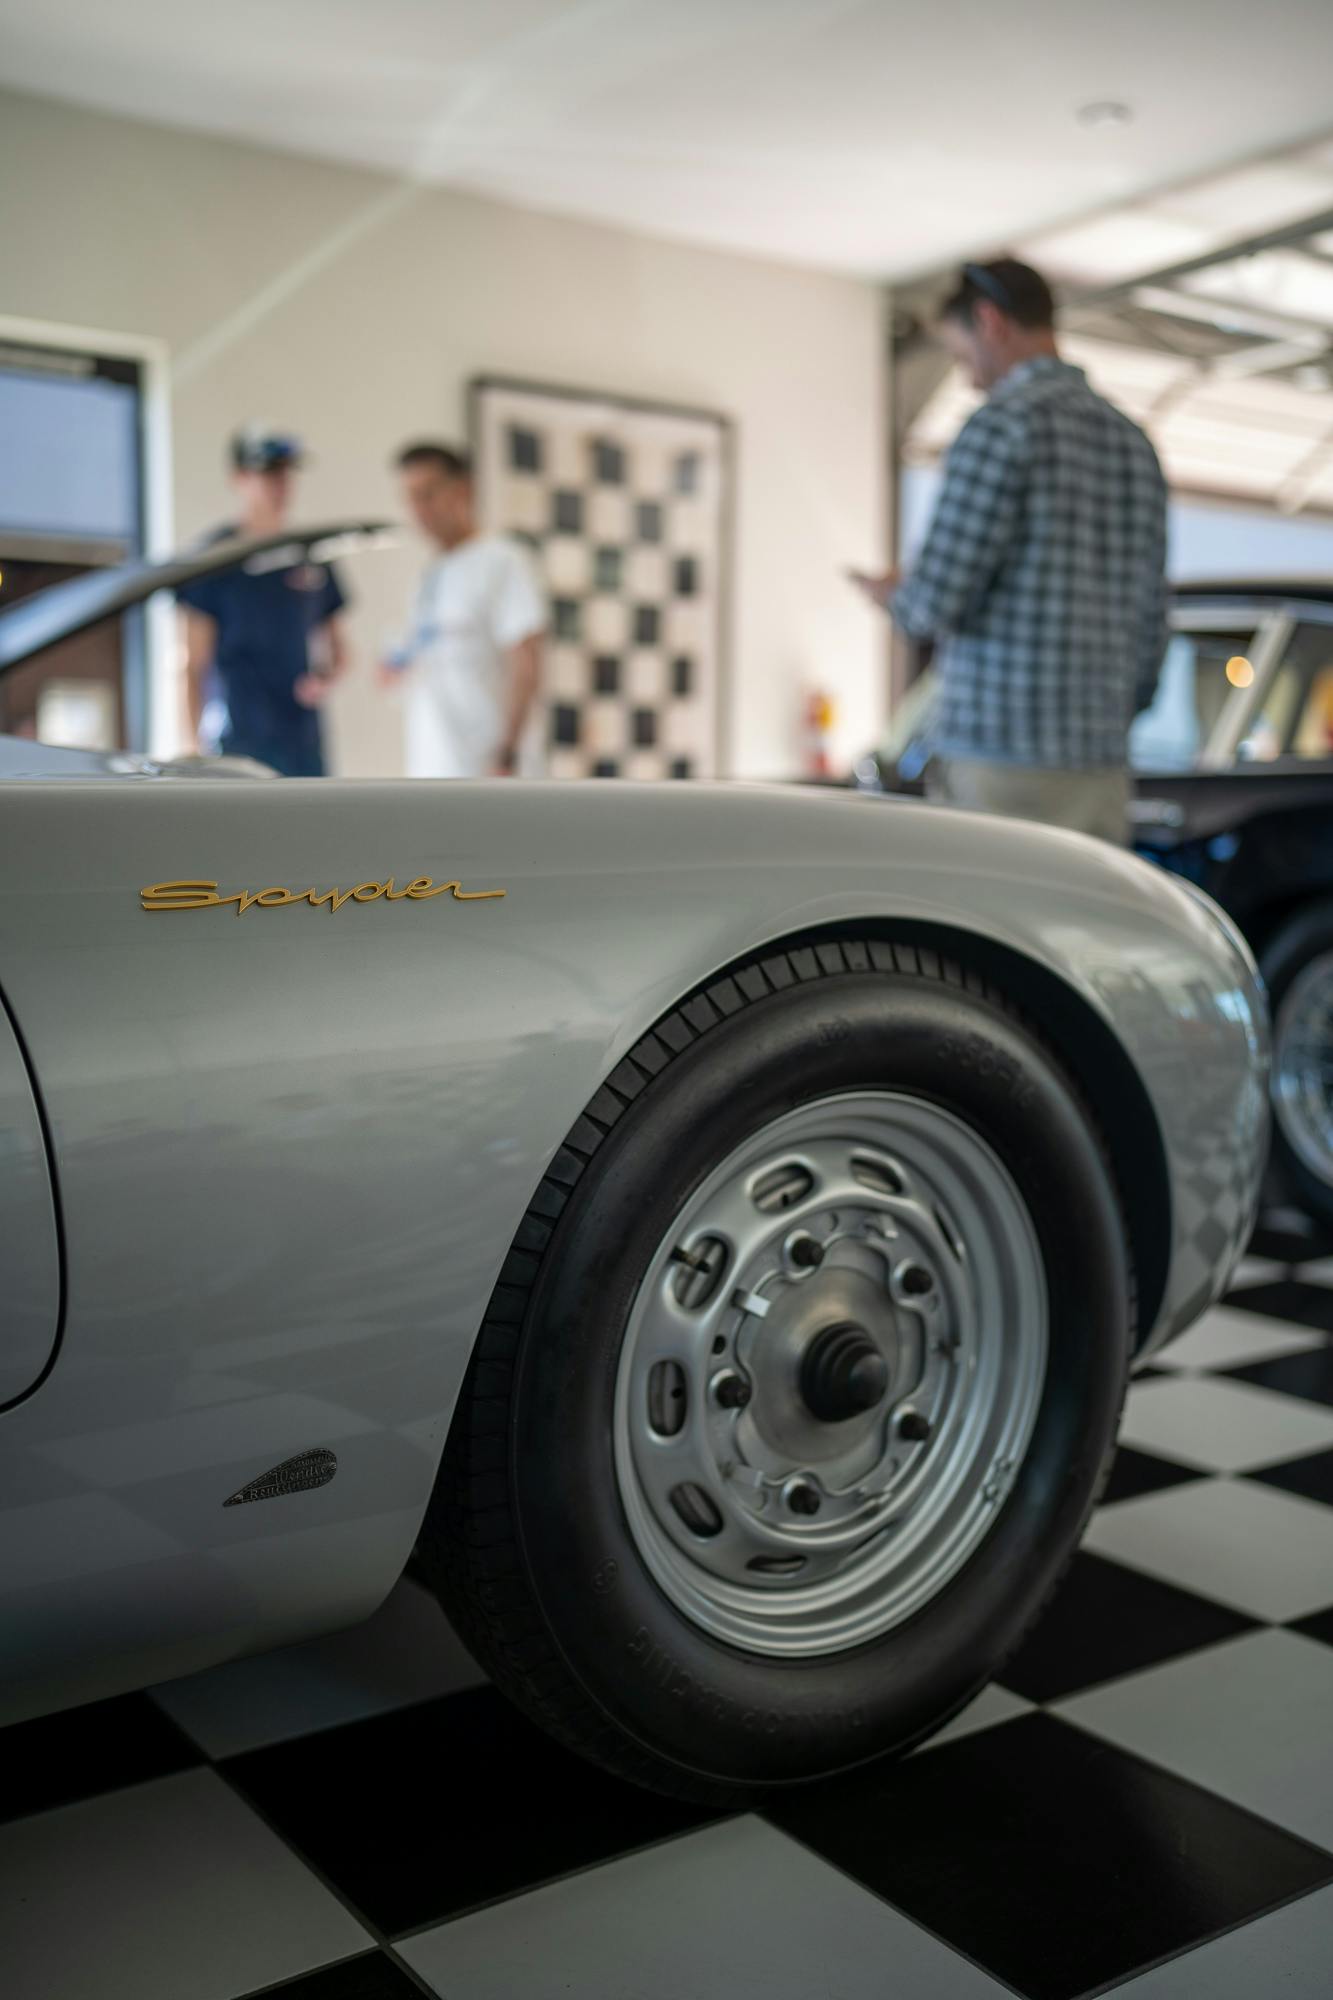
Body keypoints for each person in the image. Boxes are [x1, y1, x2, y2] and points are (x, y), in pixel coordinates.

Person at [852, 258, 1167, 843]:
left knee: (986, 925)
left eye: (961, 353)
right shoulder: (1134, 443)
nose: (969, 377)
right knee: (1086, 926)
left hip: (998, 756)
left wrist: (892, 594)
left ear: (990, 321)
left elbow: (933, 604)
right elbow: (1153, 620)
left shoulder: (1001, 427)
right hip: (1099, 759)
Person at [177, 428, 349, 777]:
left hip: (302, 738)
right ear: (239, 477)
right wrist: (192, 748)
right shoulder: (214, 560)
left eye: (286, 473)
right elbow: (192, 665)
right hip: (239, 738)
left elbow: (339, 650)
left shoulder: (312, 555)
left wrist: (323, 680)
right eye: (268, 472)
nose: (280, 484)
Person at [384, 443, 545, 778]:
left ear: (462, 490)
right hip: (432, 769)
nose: (418, 509)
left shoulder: (502, 561)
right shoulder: (428, 576)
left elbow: (526, 663)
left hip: (488, 774)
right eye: (410, 497)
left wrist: (507, 755)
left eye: (427, 494)